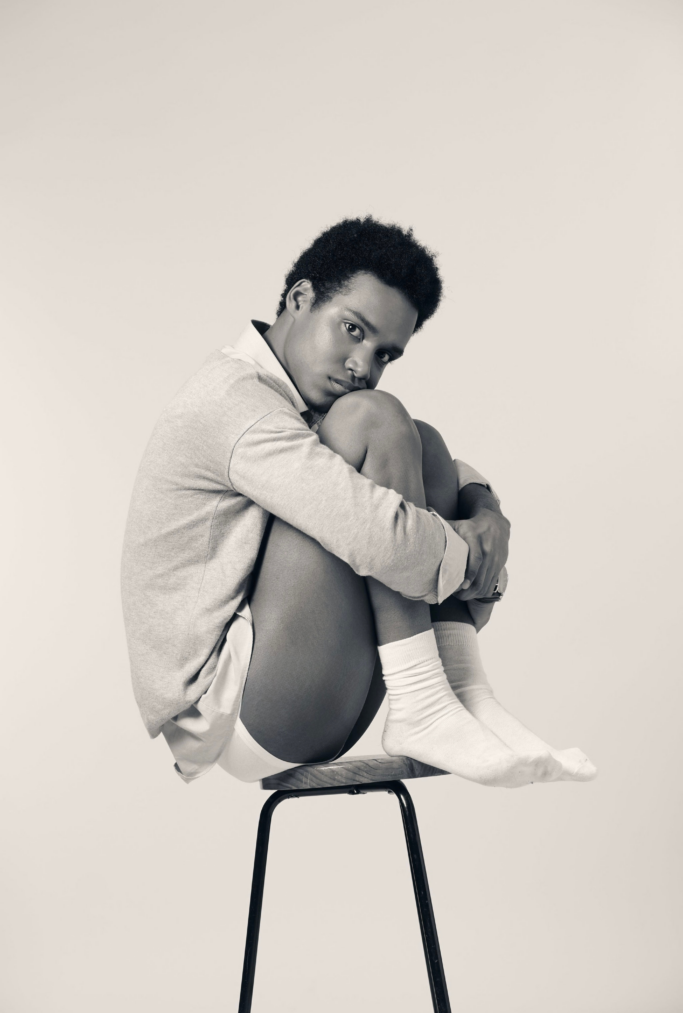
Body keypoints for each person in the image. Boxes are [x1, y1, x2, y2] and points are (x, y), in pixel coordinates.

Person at [121, 217, 596, 788]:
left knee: (422, 440)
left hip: (315, 689)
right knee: (374, 418)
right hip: (238, 711)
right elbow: (379, 536)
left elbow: (424, 481)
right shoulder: (232, 400)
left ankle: (464, 693)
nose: (362, 366)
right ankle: (425, 703)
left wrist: (484, 508)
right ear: (300, 298)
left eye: (384, 354)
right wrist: (477, 561)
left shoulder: (295, 398)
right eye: (352, 329)